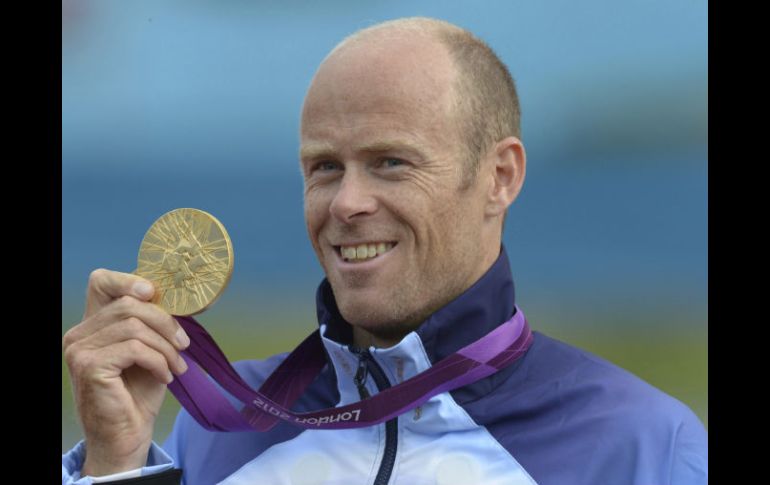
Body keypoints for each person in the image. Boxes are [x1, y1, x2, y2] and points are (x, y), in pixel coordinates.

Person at [62, 17, 708, 485]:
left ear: (500, 176)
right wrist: (115, 460)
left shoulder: (641, 445)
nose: (347, 203)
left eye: (390, 162)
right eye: (324, 167)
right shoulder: (219, 430)